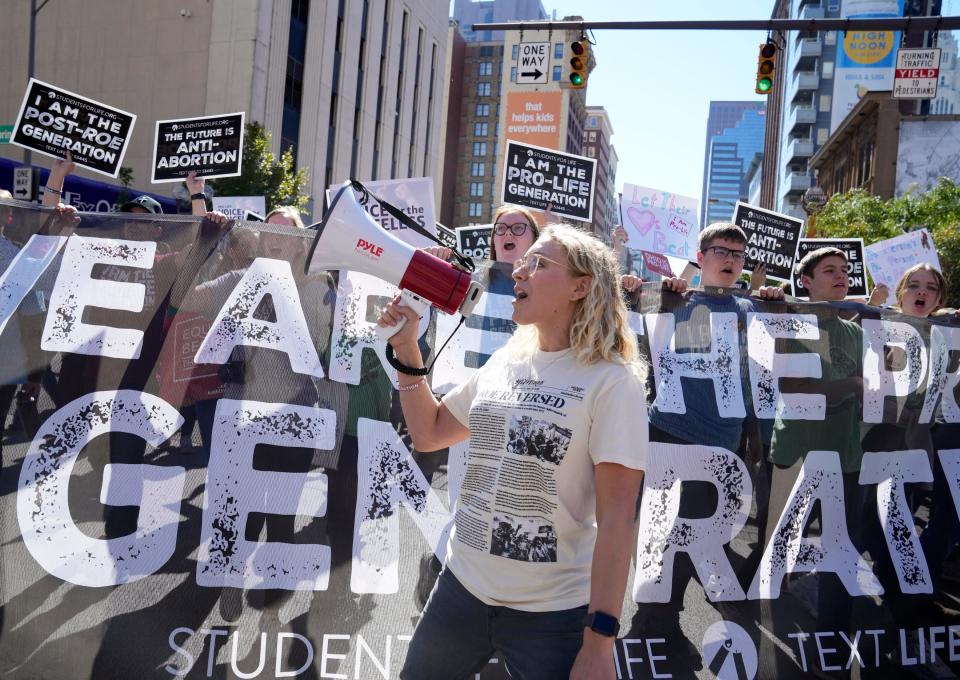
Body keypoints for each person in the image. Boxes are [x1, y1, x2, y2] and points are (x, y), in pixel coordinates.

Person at [378, 223, 649, 679]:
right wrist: (407, 349)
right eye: (524, 262)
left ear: (581, 286)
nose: (519, 272)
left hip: (553, 616)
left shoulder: (613, 383)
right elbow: (429, 433)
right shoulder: (507, 360)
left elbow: (618, 521)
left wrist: (600, 642)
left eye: (539, 263)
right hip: (460, 590)